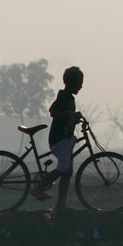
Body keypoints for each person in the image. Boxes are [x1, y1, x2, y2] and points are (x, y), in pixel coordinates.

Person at [32, 66, 84, 210]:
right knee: (63, 168)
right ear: (71, 82)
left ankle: (61, 205)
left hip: (66, 138)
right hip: (59, 139)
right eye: (79, 82)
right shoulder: (64, 96)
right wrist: (71, 115)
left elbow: (66, 117)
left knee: (68, 172)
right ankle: (38, 189)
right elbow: (53, 112)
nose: (81, 85)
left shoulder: (69, 97)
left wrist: (74, 119)